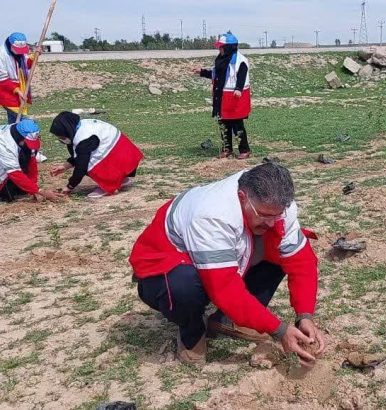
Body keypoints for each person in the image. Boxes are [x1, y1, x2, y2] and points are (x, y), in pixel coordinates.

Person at [129, 163, 325, 366]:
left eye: (276, 216)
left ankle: (229, 320)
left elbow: (302, 262)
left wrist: (305, 316)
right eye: (265, 215)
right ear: (242, 197)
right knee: (184, 285)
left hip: (216, 258)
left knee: (280, 248)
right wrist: (279, 330)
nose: (271, 222)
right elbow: (224, 288)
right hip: (163, 267)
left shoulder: (278, 207)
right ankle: (193, 332)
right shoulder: (212, 215)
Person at [49, 112, 144, 199]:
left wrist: (69, 187)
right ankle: (121, 179)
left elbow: (81, 167)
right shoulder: (82, 125)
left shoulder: (83, 139)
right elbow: (79, 155)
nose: (61, 140)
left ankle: (108, 186)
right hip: (128, 153)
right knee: (86, 158)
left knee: (87, 164)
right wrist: (64, 166)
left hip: (121, 156)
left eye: (62, 137)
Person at [193, 31, 252, 160]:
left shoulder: (241, 61)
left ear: (229, 47)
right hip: (222, 97)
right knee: (223, 124)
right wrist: (202, 72)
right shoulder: (221, 60)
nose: (219, 49)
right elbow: (215, 74)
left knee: (237, 125)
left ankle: (244, 150)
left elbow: (242, 76)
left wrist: (238, 89)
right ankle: (227, 149)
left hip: (234, 98)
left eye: (221, 47)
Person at [0, 119, 62, 202]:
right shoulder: (5, 144)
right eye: (27, 142)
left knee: (23, 189)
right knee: (8, 194)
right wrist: (41, 192)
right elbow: (14, 173)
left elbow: (31, 162)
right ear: (20, 137)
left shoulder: (21, 130)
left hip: (11, 163)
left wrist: (34, 188)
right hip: (4, 165)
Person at [0, 33, 33, 124]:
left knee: (14, 120)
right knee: (20, 118)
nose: (20, 52)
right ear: (10, 45)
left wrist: (34, 57)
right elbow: (2, 79)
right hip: (6, 90)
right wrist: (17, 91)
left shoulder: (20, 54)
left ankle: (12, 134)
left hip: (20, 86)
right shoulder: (1, 54)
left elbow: (26, 65)